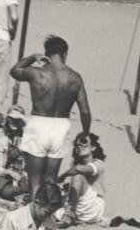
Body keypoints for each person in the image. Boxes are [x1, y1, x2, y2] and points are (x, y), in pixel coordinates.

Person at [10, 35, 91, 191]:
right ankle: (47, 212)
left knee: (35, 180)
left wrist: (32, 57)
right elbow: (85, 111)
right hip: (61, 126)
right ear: (65, 53)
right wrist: (86, 132)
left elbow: (14, 71)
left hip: (39, 122)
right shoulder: (75, 77)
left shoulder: (37, 73)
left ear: (47, 54)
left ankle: (33, 212)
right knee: (50, 180)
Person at [0, 107, 30, 200]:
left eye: (17, 119)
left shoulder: (28, 140)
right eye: (11, 118)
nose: (14, 121)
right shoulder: (4, 141)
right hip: (8, 173)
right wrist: (8, 172)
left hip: (23, 175)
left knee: (6, 192)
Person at [59, 130, 107, 225]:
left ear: (93, 147)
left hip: (93, 207)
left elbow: (80, 170)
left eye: (84, 143)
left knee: (78, 176)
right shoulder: (75, 164)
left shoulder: (99, 164)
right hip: (78, 206)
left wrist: (62, 176)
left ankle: (69, 213)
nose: (79, 146)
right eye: (77, 144)